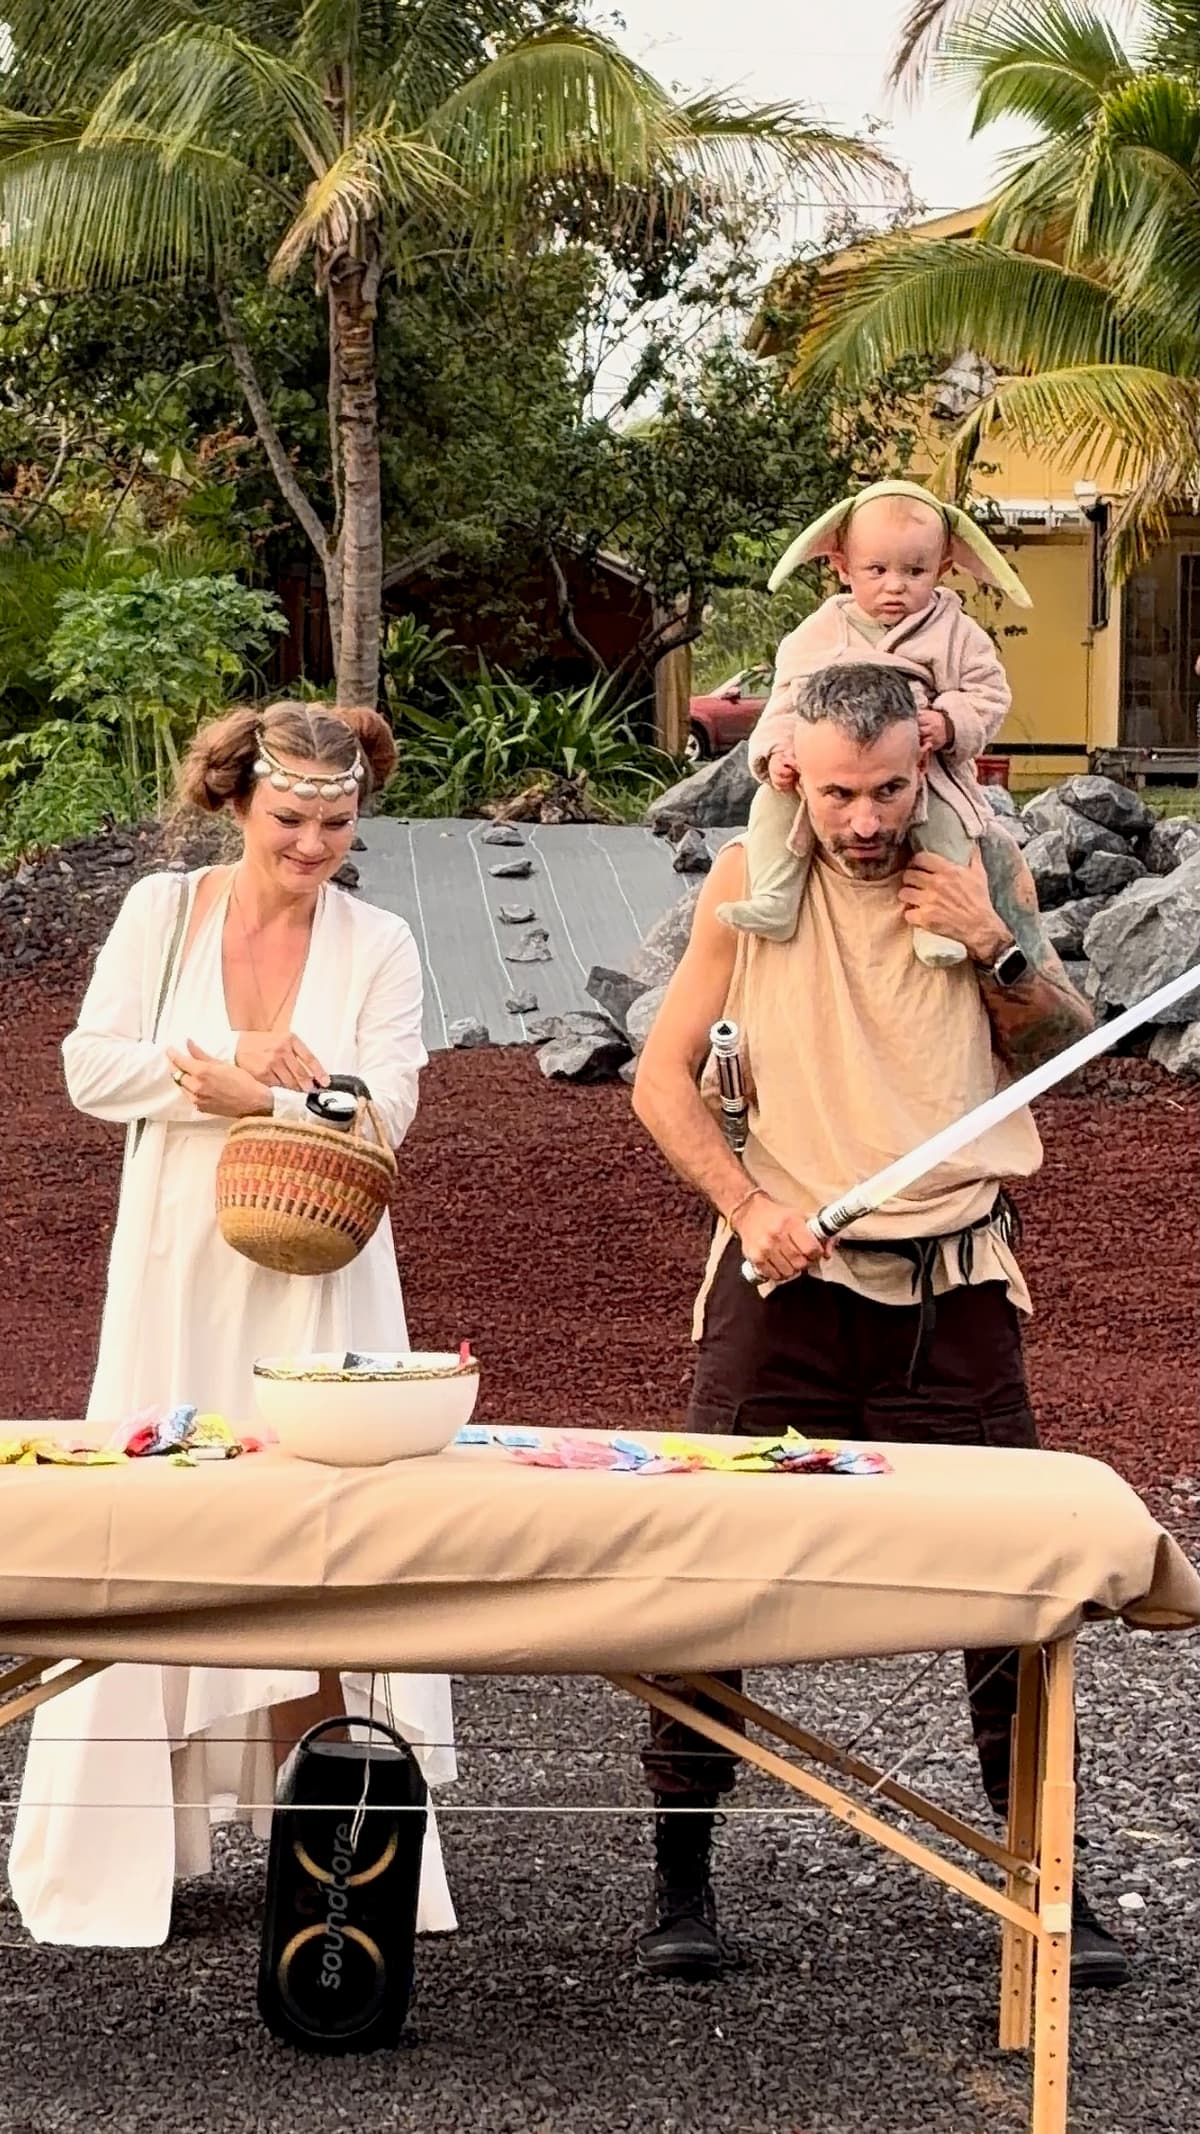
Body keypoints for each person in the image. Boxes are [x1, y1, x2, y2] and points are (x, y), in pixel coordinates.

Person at [631, 662, 1129, 1993]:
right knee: (704, 1565)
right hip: (784, 1280)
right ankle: (681, 1873)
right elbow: (659, 1078)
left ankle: (1045, 1885)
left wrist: (996, 940)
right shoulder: (747, 881)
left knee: (1018, 1585)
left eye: (891, 788)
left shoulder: (983, 867)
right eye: (841, 791)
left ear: (928, 760)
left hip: (955, 1282)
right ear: (793, 766)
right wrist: (745, 1202)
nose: (864, 819)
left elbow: (1068, 1044)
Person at [9, 700, 458, 1948]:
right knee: (156, 1517)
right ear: (237, 803)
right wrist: (202, 1068)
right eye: (289, 819)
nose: (312, 844)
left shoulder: (379, 939)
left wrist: (264, 1091)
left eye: (335, 821)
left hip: (322, 1271)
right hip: (177, 1262)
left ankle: (335, 1864)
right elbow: (88, 1067)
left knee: (320, 1532)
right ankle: (115, 1850)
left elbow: (390, 1111)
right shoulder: (164, 914)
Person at [716, 479, 1032, 966]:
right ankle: (775, 897)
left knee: (949, 831)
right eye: (877, 570)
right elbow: (786, 699)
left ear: (944, 570)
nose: (895, 585)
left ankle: (937, 927)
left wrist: (949, 722)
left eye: (915, 570)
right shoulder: (819, 632)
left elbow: (990, 694)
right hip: (825, 767)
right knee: (771, 808)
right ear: (842, 568)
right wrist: (778, 751)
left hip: (929, 770)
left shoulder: (957, 632)